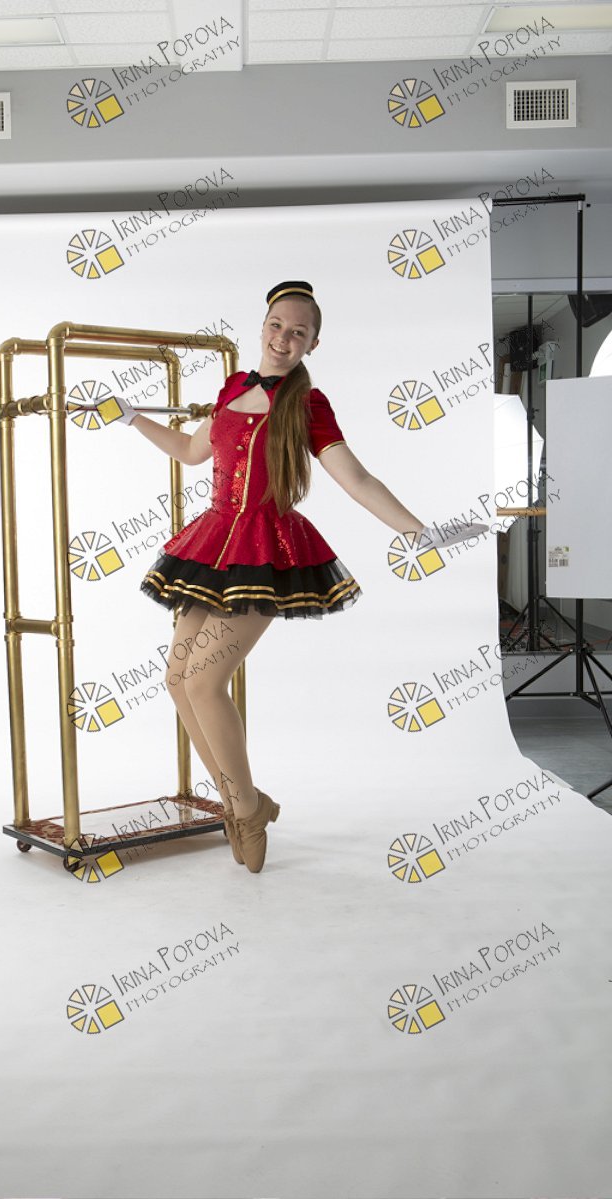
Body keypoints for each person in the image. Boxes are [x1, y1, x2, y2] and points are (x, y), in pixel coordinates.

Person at [115, 281, 485, 872]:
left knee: (205, 682)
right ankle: (244, 803)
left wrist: (418, 532)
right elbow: (190, 451)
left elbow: (356, 479)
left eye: (298, 332)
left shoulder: (308, 404)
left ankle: (245, 809)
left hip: (265, 551)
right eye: (277, 325)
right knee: (178, 680)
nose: (283, 338)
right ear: (262, 326)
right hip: (211, 544)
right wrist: (133, 417)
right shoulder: (232, 387)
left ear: (313, 343)